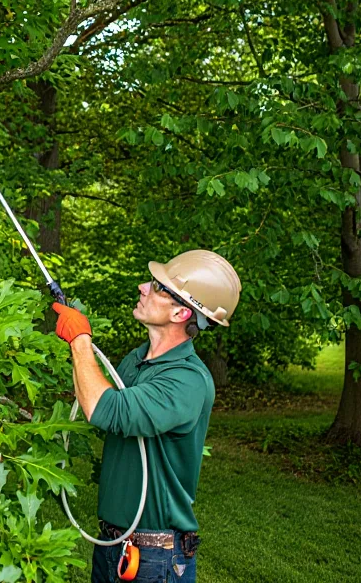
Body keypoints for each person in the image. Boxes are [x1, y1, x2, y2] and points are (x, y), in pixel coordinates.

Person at [52, 250, 241, 583]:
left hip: (155, 558)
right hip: (113, 545)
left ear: (182, 311)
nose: (142, 287)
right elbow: (100, 402)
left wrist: (80, 341)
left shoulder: (187, 381)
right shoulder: (136, 360)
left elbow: (103, 408)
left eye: (156, 287)